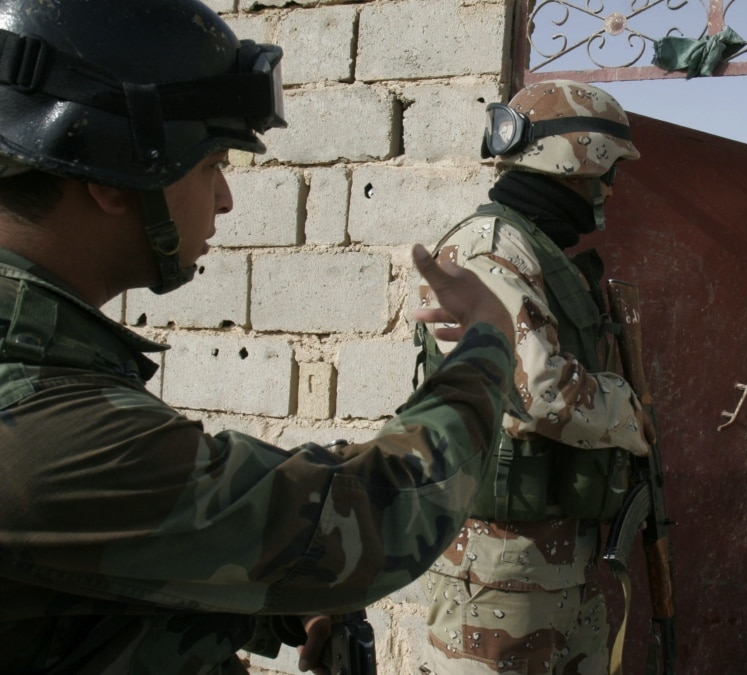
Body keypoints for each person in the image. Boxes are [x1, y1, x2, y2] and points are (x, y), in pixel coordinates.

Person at [0, 1, 519, 672]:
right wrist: (486, 344)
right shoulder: (44, 430)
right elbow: (373, 516)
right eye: (212, 163)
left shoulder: (44, 370)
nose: (224, 199)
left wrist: (258, 599)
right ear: (115, 167)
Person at [414, 80, 652, 674]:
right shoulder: (491, 248)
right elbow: (538, 393)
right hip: (495, 574)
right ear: (575, 163)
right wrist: (628, 411)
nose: (609, 188)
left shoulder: (532, 249)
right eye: (607, 171)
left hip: (550, 564)